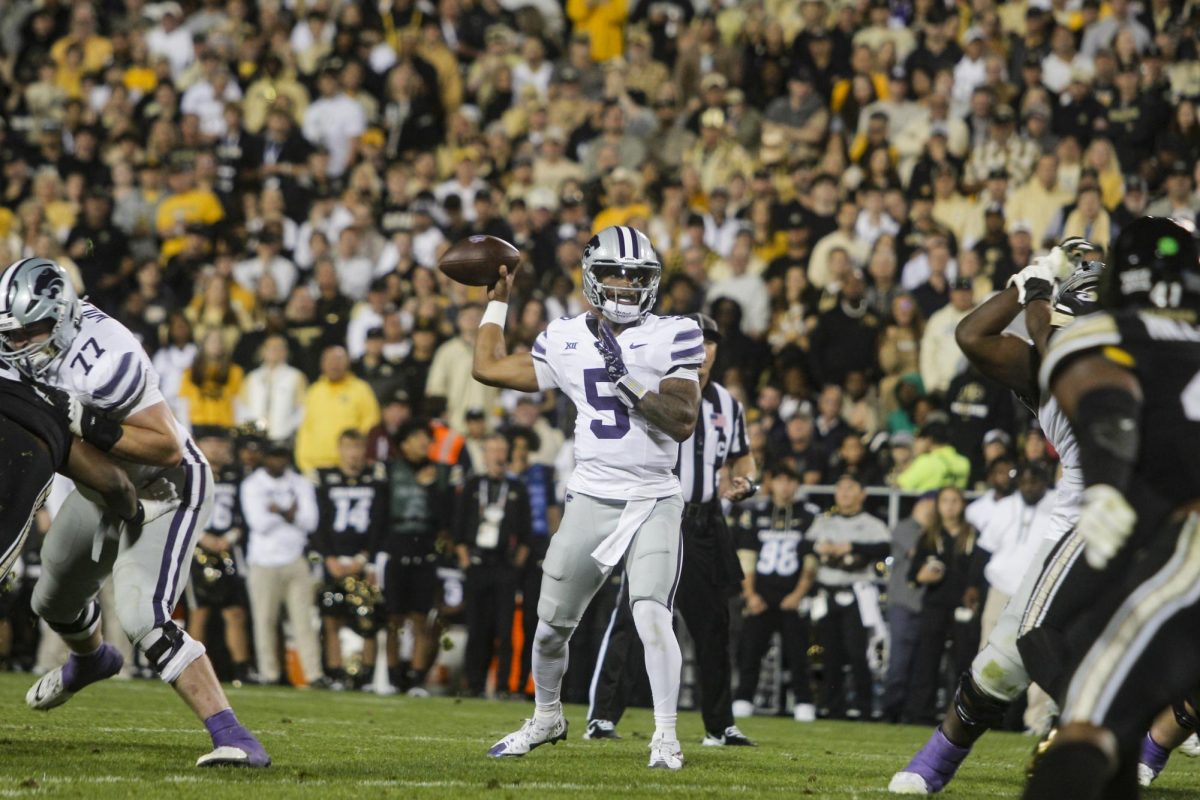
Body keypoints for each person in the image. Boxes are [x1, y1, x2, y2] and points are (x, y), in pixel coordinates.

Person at [2, 258, 268, 767]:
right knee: (51, 602)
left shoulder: (105, 357)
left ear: (59, 319)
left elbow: (165, 447)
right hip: (101, 487)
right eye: (10, 333)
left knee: (143, 611)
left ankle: (235, 737)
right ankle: (91, 661)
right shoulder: (18, 349)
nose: (17, 345)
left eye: (29, 331)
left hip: (166, 489)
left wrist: (84, 420)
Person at [473, 225, 704, 770]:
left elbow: (682, 420)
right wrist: (498, 305)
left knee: (651, 614)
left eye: (637, 276)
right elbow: (488, 367)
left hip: (652, 498)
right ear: (591, 278)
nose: (625, 284)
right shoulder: (565, 335)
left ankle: (665, 737)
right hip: (591, 497)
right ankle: (547, 716)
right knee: (551, 628)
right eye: (614, 273)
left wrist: (628, 384)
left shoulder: (677, 332)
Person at [890, 241, 1098, 794]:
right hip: (1080, 526)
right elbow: (971, 336)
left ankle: (1140, 746)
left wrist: (1039, 293)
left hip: (1157, 524)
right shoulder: (1048, 367)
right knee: (1006, 661)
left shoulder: (1157, 362)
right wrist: (1036, 276)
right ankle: (936, 762)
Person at [1023, 218, 1200, 799]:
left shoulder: (1102, 332)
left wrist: (1103, 483)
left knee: (1088, 729)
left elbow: (1104, 398)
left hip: (1183, 541)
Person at [585, 312, 758, 746]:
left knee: (715, 624)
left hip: (704, 520)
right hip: (661, 513)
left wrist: (746, 481)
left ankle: (720, 726)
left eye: (712, 341)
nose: (705, 348)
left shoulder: (728, 406)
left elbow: (742, 456)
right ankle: (602, 717)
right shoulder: (656, 392)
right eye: (698, 339)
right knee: (633, 614)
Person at [732, 464, 821, 722]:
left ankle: (803, 701)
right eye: (780, 479)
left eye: (790, 480)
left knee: (798, 652)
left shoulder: (808, 515)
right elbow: (746, 557)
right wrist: (750, 594)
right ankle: (743, 698)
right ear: (771, 483)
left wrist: (800, 593)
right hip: (761, 593)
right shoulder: (756, 512)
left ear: (797, 485)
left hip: (792, 595)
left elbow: (810, 560)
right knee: (750, 651)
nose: (785, 486)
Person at [808, 475, 891, 719]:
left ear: (862, 494)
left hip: (857, 592)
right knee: (830, 653)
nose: (844, 493)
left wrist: (852, 546)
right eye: (840, 488)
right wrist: (818, 547)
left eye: (850, 489)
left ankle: (864, 708)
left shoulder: (871, 523)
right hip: (828, 591)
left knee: (857, 652)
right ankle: (834, 707)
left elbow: (885, 548)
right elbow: (805, 544)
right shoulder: (824, 522)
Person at [240, 442, 322, 688]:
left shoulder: (301, 483)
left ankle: (314, 675)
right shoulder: (252, 484)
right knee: (265, 620)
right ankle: (269, 674)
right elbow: (258, 523)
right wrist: (290, 514)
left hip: (295, 558)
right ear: (266, 458)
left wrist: (278, 511)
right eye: (274, 457)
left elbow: (311, 522)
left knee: (303, 620)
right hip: (263, 560)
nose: (278, 462)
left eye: (282, 457)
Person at [455, 433, 531, 697]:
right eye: (493, 450)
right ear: (484, 455)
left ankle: (502, 686)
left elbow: (525, 533)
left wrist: (515, 568)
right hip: (477, 563)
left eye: (502, 449)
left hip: (504, 566)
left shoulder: (517, 488)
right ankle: (473, 684)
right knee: (476, 626)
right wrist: (465, 562)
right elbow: (460, 527)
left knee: (505, 629)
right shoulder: (473, 486)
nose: (498, 455)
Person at [311, 429, 387, 691]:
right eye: (348, 447)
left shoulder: (375, 480)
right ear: (340, 449)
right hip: (334, 558)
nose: (353, 453)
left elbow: (380, 522)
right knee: (331, 615)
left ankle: (366, 677)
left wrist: (365, 558)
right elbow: (317, 522)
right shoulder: (325, 479)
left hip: (362, 559)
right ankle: (334, 674)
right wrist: (329, 558)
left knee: (370, 617)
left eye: (358, 447)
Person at [381, 421, 452, 694]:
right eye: (418, 437)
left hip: (425, 546)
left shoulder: (440, 472)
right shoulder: (389, 469)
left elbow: (445, 516)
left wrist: (431, 487)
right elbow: (381, 511)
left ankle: (417, 677)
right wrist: (378, 551)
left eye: (426, 438)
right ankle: (392, 676)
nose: (424, 442)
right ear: (404, 443)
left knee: (421, 616)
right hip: (397, 545)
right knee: (393, 617)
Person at [902, 487, 980, 725]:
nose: (950, 506)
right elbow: (912, 576)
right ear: (937, 505)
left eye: (955, 500)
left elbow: (980, 570)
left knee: (963, 661)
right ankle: (920, 713)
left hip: (962, 607)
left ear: (963, 504)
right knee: (927, 660)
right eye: (945, 501)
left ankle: (959, 715)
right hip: (934, 605)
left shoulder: (973, 535)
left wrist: (975, 592)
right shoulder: (928, 536)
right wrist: (923, 575)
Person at [185, 426, 253, 687]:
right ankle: (190, 669)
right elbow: (180, 509)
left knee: (234, 611)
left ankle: (241, 670)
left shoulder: (237, 476)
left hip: (229, 547)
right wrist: (203, 537)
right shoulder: (189, 470)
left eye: (219, 442)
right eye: (209, 442)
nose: (215, 447)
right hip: (196, 545)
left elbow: (246, 515)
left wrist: (229, 538)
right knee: (198, 611)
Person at [295, 346, 381, 473]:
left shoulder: (361, 389)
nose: (333, 365)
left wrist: (357, 454)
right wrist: (303, 462)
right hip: (316, 465)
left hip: (349, 466)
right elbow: (305, 429)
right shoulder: (314, 391)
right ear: (322, 364)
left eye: (338, 360)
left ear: (348, 363)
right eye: (329, 360)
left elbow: (371, 425)